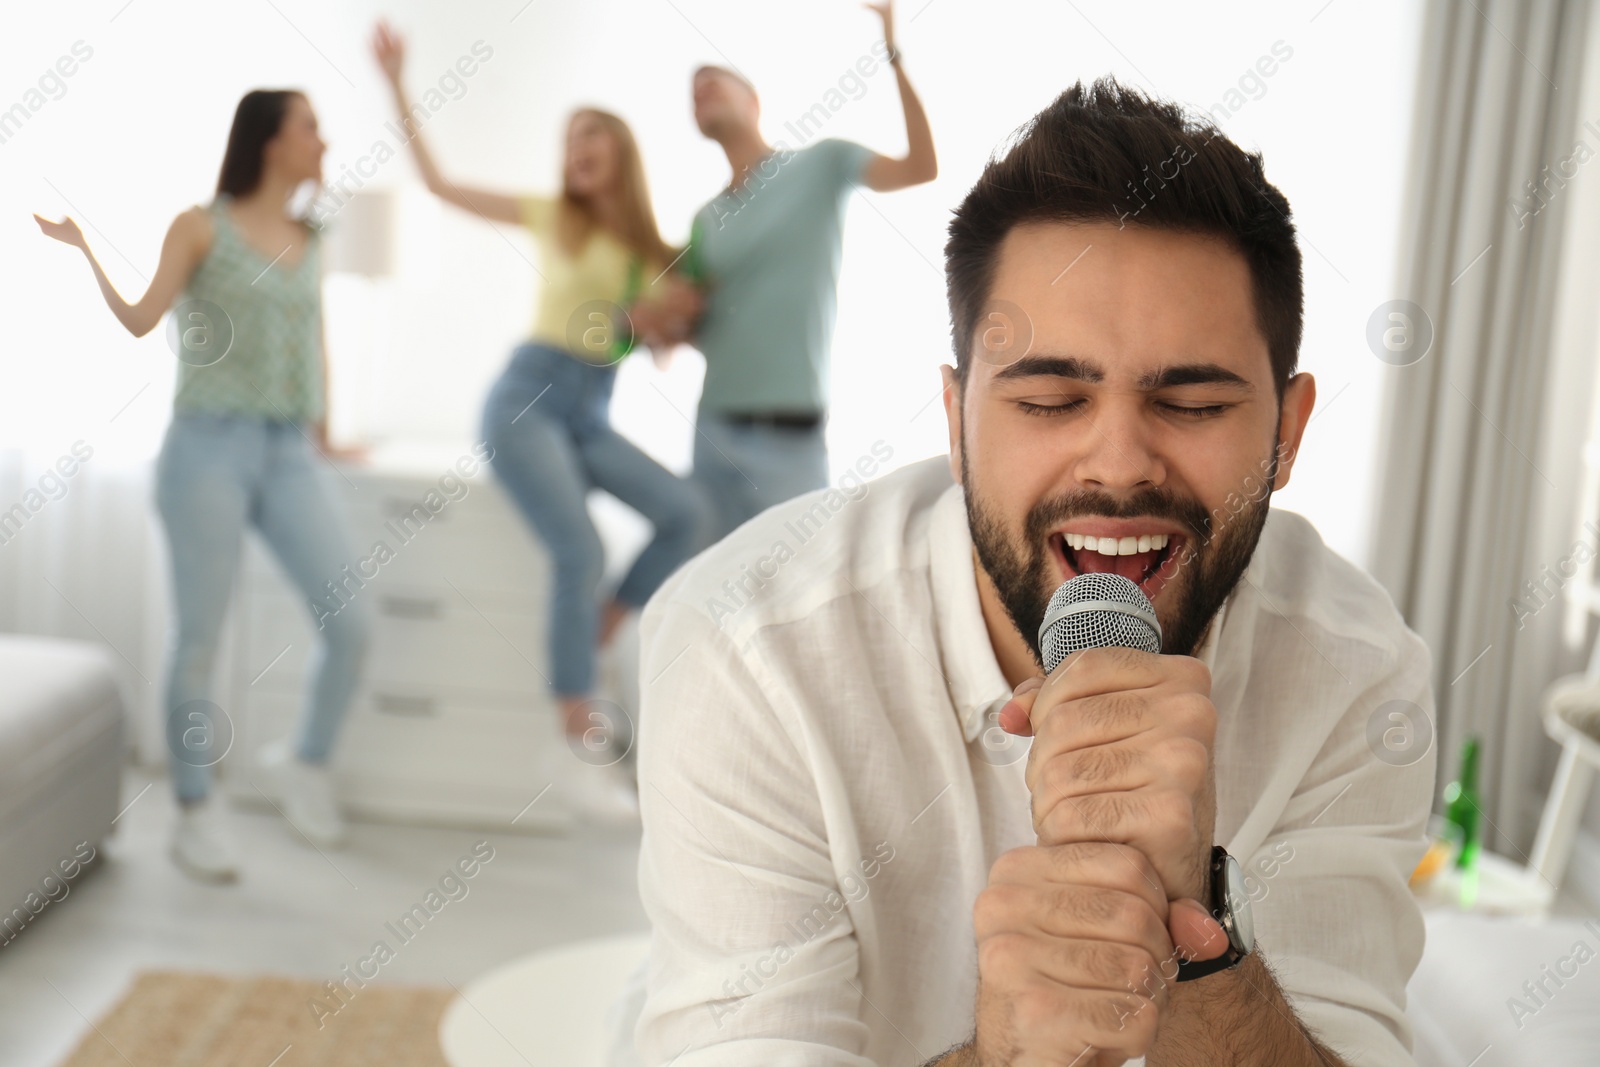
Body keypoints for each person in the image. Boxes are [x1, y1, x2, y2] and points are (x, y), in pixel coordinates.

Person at [629, 78, 1436, 1065]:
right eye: (1051, 398)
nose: (1119, 462)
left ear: (1287, 431)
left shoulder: (1353, 670)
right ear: (957, 420)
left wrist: (1197, 931)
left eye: (1192, 403)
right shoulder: (747, 648)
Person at [372, 22, 708, 821]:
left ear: (621, 152)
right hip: (528, 395)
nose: (578, 148)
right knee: (579, 545)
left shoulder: (653, 248)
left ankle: (598, 627)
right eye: (569, 138)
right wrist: (395, 82)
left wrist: (660, 322)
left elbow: (666, 336)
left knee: (689, 513)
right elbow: (442, 184)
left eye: (593, 135)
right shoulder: (555, 216)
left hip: (588, 411)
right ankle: (572, 734)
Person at [35, 90, 371, 883]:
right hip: (206, 450)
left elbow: (313, 336)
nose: (323, 141)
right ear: (270, 140)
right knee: (200, 642)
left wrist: (327, 435)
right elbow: (142, 317)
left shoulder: (311, 234)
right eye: (310, 128)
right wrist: (85, 248)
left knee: (352, 620)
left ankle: (305, 760)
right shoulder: (200, 226)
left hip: (288, 450)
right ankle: (194, 811)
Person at [674, 0, 936, 541]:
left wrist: (892, 48)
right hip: (714, 430)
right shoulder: (705, 219)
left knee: (804, 594)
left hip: (791, 440)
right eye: (692, 91)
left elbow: (921, 166)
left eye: (713, 80)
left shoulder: (822, 163)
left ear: (754, 101)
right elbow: (693, 322)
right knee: (709, 596)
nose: (700, 88)